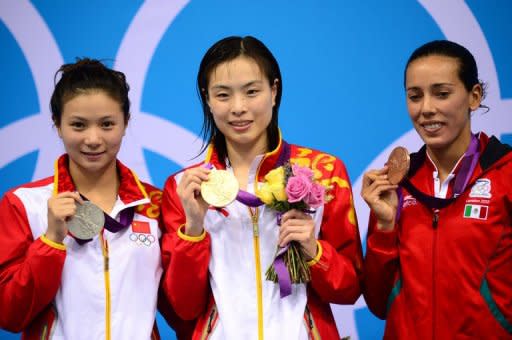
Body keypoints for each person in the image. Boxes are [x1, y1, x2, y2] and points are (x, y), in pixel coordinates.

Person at [160, 35, 363, 339]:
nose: (238, 108)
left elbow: (349, 289)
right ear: (207, 99)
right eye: (223, 95)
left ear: (274, 91)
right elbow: (183, 308)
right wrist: (193, 229)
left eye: (252, 91)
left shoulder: (324, 172)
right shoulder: (185, 187)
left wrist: (314, 250)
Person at [0, 59, 187, 339]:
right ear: (57, 125)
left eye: (107, 124)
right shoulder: (24, 204)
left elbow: (183, 310)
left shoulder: (155, 205)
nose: (93, 138)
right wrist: (50, 242)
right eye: (78, 125)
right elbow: (9, 315)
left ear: (126, 123)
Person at [362, 40, 512, 339]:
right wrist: (384, 226)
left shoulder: (506, 175)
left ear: (474, 96)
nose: (427, 109)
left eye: (442, 94)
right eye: (414, 96)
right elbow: (379, 304)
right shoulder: (397, 185)